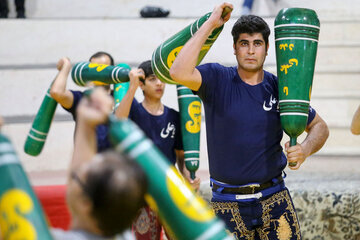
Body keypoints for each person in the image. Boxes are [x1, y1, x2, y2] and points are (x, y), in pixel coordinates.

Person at [170, 3, 329, 239]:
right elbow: (178, 72)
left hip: (275, 199)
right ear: (235, 48)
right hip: (226, 204)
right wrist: (211, 24)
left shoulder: (281, 87)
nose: (251, 51)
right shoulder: (216, 77)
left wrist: (305, 149)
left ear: (267, 49)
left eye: (257, 44)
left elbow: (320, 128)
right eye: (244, 43)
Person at [115, 60, 200, 240]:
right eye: (153, 79)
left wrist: (188, 176)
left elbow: (180, 156)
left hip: (170, 194)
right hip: (142, 195)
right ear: (142, 85)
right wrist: (131, 87)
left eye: (161, 79)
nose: (160, 84)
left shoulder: (174, 116)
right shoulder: (134, 112)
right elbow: (118, 122)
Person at [51, 88, 147, 240]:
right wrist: (86, 123)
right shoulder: (124, 234)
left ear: (85, 202)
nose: (78, 168)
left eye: (78, 175)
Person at [50, 52, 114, 152]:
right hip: (88, 163)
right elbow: (56, 92)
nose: (99, 74)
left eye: (104, 69)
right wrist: (66, 66)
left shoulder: (123, 99)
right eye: (94, 69)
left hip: (118, 163)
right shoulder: (82, 99)